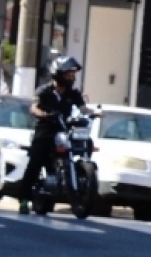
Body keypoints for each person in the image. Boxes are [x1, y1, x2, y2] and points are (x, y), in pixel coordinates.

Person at [18, 55, 97, 214]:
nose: (72, 77)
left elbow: (83, 108)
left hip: (64, 129)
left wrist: (94, 112)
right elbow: (34, 108)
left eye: (73, 74)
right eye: (68, 74)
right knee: (36, 161)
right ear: (58, 74)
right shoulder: (44, 91)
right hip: (46, 129)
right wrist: (44, 114)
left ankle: (82, 180)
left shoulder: (73, 93)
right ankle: (24, 199)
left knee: (86, 143)